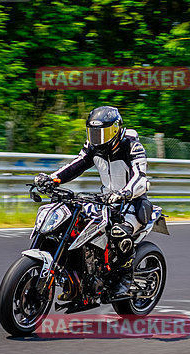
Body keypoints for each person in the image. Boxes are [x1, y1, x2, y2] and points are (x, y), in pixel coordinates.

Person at [34, 106, 149, 298]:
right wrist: (52, 179)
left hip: (132, 202)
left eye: (102, 132)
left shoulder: (131, 145)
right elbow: (76, 165)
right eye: (94, 132)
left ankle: (125, 279)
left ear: (116, 129)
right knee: (73, 221)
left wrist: (125, 192)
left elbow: (141, 178)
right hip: (106, 200)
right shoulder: (93, 147)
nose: (98, 137)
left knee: (119, 232)